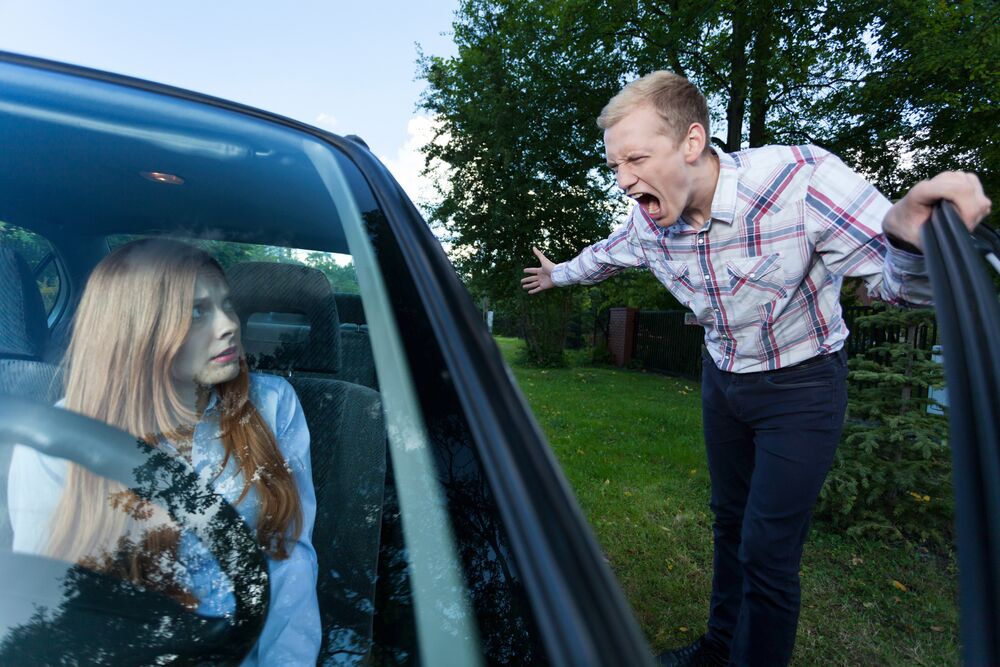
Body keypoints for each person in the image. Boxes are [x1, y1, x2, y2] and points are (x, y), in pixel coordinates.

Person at [522, 71, 990, 667]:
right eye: (615, 165)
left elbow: (897, 286)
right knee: (728, 524)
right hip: (723, 382)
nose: (623, 180)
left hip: (802, 386)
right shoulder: (649, 224)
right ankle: (718, 649)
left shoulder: (801, 180)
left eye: (635, 158)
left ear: (692, 142)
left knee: (767, 551)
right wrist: (556, 273)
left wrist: (908, 240)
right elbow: (603, 258)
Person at [7, 238, 321, 665]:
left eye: (227, 304)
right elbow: (47, 602)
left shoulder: (270, 406)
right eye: (197, 312)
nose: (229, 324)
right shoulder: (60, 439)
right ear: (137, 329)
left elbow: (290, 559)